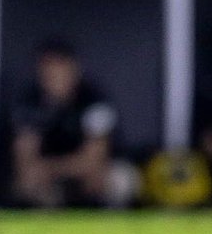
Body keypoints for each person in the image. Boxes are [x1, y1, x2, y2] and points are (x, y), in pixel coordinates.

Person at [9, 39, 138, 208]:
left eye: (59, 69)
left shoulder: (94, 101)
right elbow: (25, 157)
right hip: (51, 176)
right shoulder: (29, 103)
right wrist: (40, 172)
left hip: (85, 172)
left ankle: (105, 219)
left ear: (73, 69)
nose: (54, 76)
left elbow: (93, 158)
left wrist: (52, 168)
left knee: (121, 178)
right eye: (48, 70)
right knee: (27, 181)